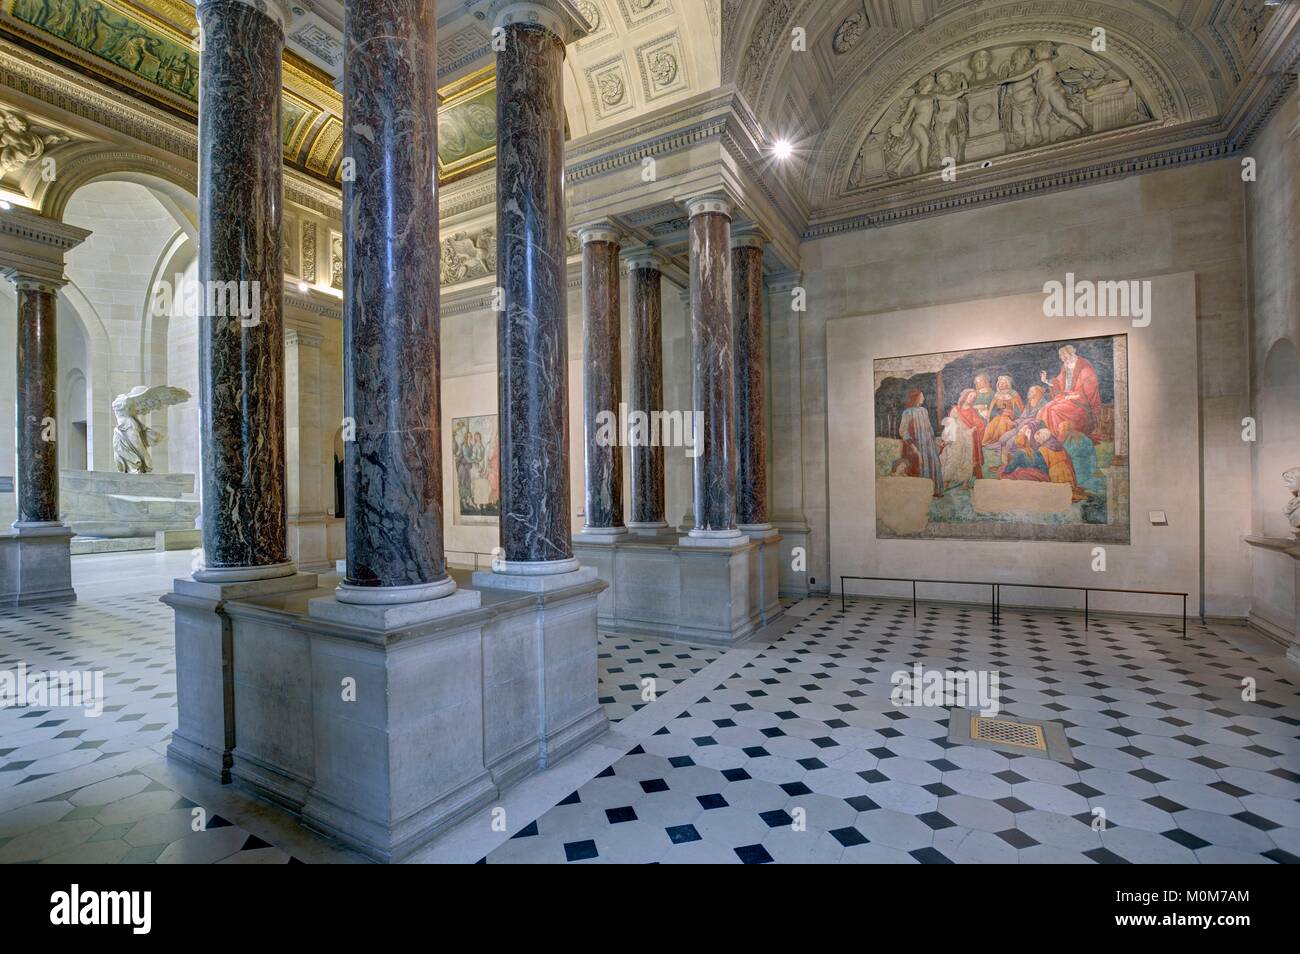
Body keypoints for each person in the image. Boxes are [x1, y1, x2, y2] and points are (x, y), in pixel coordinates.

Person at [1037, 344, 1103, 441]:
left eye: (1064, 355)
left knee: (1054, 410)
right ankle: (1050, 437)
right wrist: (1046, 380)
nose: (1062, 358)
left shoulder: (1084, 368)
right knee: (1046, 408)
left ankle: (1059, 437)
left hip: (1081, 403)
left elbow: (1090, 390)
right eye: (1061, 356)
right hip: (1065, 398)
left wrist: (1075, 396)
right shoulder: (1065, 366)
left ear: (1071, 353)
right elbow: (1058, 382)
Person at [898, 389, 943, 497]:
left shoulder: (924, 410)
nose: (924, 398)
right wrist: (912, 446)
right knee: (921, 465)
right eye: (922, 396)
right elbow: (903, 430)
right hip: (916, 444)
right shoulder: (907, 412)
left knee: (934, 464)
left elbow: (929, 427)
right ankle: (923, 492)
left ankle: (935, 490)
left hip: (929, 443)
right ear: (916, 397)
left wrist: (936, 441)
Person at [1036, 427, 1088, 501]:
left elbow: (1045, 464)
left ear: (1043, 438)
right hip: (1068, 468)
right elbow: (1068, 457)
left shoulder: (1042, 449)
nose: (1038, 442)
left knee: (1060, 493)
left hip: (1056, 472)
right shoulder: (1059, 445)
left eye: (1038, 439)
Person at [949, 388, 985, 478]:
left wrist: (972, 429)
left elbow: (979, 425)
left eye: (974, 397)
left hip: (971, 439)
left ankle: (977, 479)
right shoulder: (955, 409)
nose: (972, 398)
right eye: (971, 396)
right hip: (958, 437)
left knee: (973, 460)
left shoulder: (972, 411)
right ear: (965, 396)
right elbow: (950, 425)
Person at [981, 375, 1024, 445]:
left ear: (1008, 384)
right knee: (993, 423)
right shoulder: (997, 395)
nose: (1001, 384)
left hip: (1011, 417)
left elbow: (1020, 409)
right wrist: (993, 414)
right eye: (1000, 383)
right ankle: (990, 441)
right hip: (999, 416)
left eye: (1003, 383)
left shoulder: (1014, 394)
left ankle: (1001, 442)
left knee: (1003, 421)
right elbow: (991, 408)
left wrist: (1012, 414)